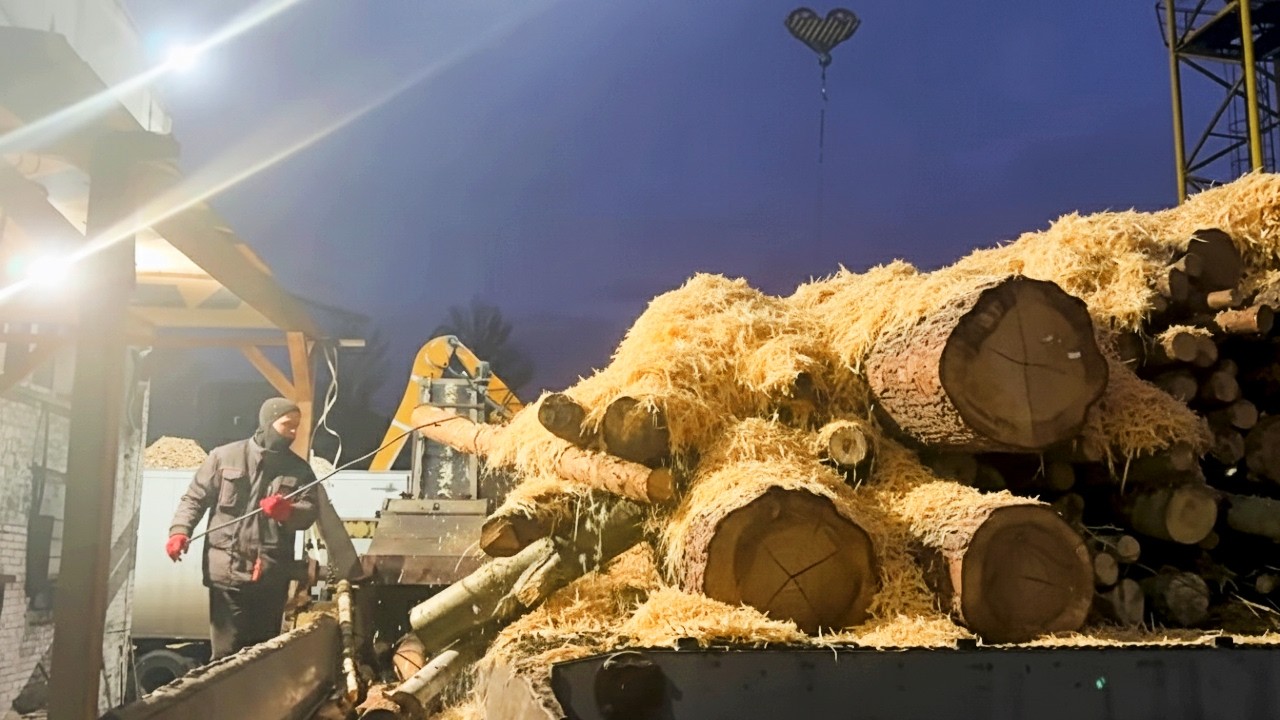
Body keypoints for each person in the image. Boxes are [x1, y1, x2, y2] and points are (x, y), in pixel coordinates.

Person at [165, 397, 320, 660]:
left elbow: (310, 512)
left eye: (297, 427)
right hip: (226, 574)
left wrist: (288, 512)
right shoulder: (223, 457)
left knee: (263, 655)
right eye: (287, 425)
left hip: (270, 577)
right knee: (225, 655)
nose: (293, 433)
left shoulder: (299, 470)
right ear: (268, 423)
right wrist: (179, 531)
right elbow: (194, 499)